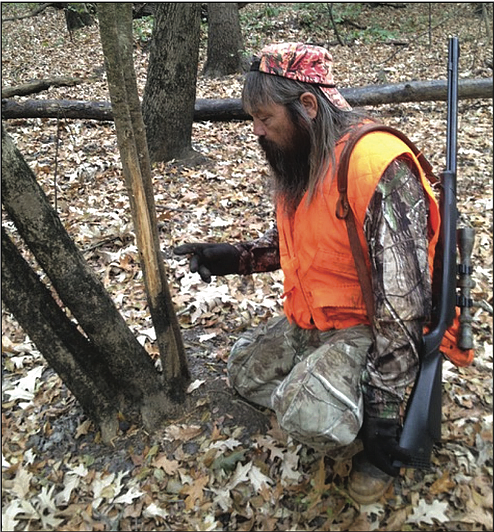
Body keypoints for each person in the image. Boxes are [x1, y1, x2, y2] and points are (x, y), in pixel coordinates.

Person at [174, 42, 439, 505]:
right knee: (243, 373)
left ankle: (375, 436)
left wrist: (384, 415)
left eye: (265, 118)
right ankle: (330, 389)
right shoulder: (303, 157)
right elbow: (303, 243)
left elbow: (405, 307)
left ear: (309, 106)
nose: (256, 131)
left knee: (306, 414)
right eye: (251, 118)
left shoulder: (375, 165)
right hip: (319, 320)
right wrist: (232, 257)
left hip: (374, 330)